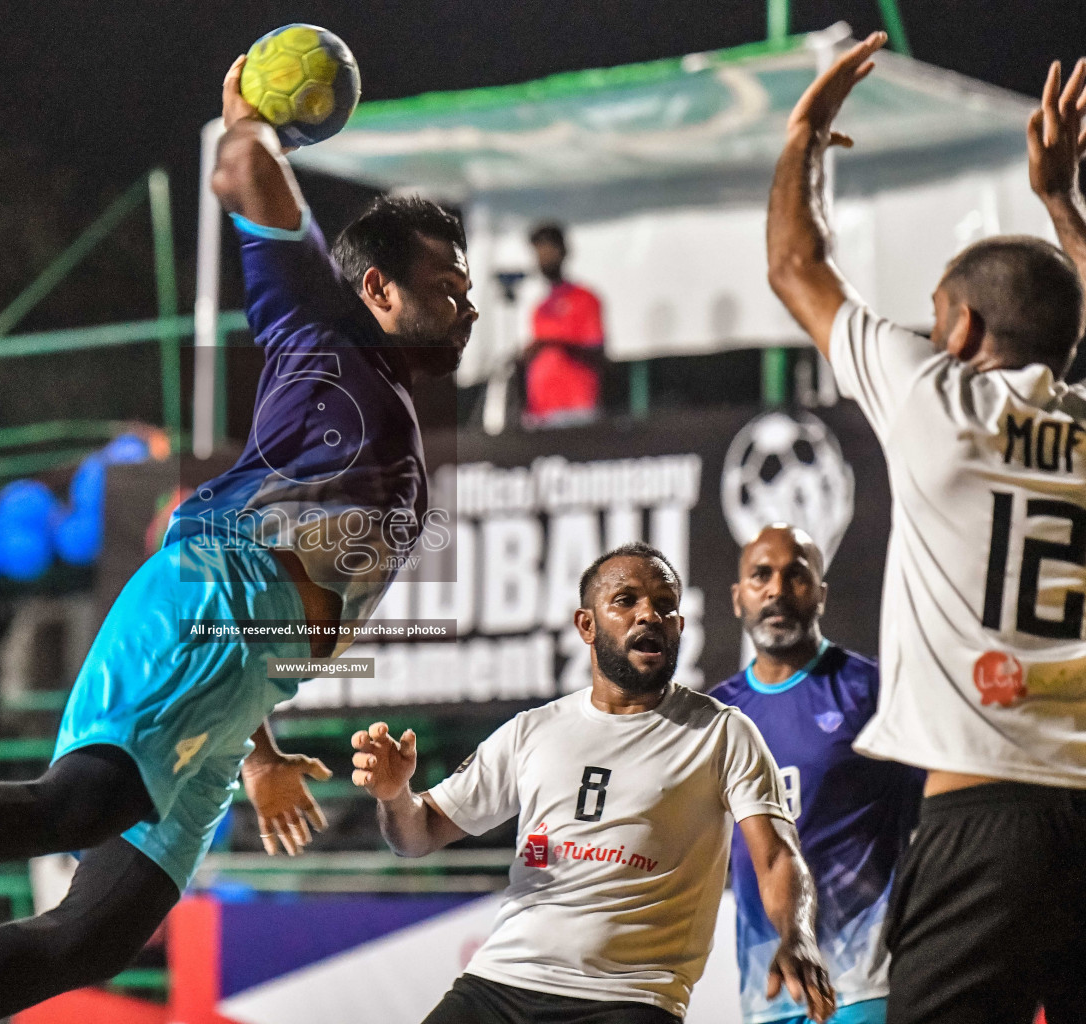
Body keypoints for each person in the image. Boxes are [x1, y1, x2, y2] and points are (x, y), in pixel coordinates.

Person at [0, 51, 477, 1024]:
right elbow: (240, 177)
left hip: (240, 671)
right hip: (210, 596)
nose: (468, 303)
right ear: (382, 291)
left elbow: (298, 590)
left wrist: (261, 745)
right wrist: (247, 120)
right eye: (448, 281)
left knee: (94, 934)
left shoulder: (378, 398)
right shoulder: (330, 329)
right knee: (74, 804)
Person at [767, 36, 1086, 1023]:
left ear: (959, 333)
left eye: (937, 310)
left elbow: (793, 263)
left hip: (982, 815)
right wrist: (1063, 204)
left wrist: (804, 135)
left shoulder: (938, 400)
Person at [352, 542, 836, 1024]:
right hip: (500, 984)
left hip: (631, 998)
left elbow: (776, 856)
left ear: (679, 628)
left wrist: (797, 936)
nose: (649, 614)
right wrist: (396, 796)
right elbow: (416, 837)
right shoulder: (534, 729)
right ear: (586, 625)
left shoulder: (722, 732)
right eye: (626, 601)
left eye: (665, 605)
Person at [711, 525, 924, 1024]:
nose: (777, 590)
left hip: (864, 985)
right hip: (764, 994)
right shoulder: (717, 715)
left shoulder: (874, 691)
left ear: (821, 595)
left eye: (796, 576)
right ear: (738, 596)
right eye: (761, 575)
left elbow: (938, 812)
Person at [523, 223, 607, 426]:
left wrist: (551, 343)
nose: (543, 258)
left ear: (563, 252)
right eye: (539, 252)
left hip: (575, 408)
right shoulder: (540, 307)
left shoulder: (584, 299)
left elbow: (596, 351)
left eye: (548, 251)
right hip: (540, 410)